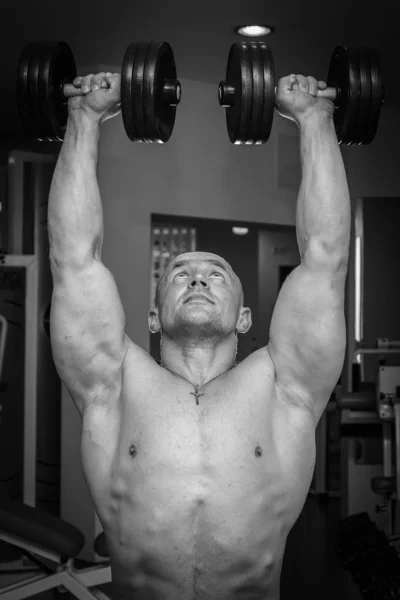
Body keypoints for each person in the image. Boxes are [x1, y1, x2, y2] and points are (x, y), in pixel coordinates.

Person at [48, 68, 350, 600]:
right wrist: (84, 117)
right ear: (153, 317)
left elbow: (325, 259)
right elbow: (72, 260)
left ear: (244, 319)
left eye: (217, 273)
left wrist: (315, 118)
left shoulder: (285, 390)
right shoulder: (114, 386)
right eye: (180, 274)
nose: (197, 277)